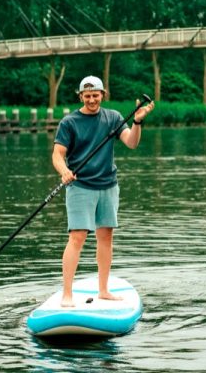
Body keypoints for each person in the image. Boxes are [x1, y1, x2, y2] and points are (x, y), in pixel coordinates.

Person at [52, 75, 154, 307]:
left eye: (95, 95)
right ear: (81, 96)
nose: (91, 100)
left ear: (102, 95)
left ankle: (104, 290)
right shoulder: (69, 122)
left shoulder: (114, 117)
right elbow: (57, 154)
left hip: (108, 185)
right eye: (87, 96)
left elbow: (131, 143)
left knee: (106, 237)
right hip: (80, 186)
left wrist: (137, 122)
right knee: (77, 237)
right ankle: (66, 294)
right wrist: (64, 170)